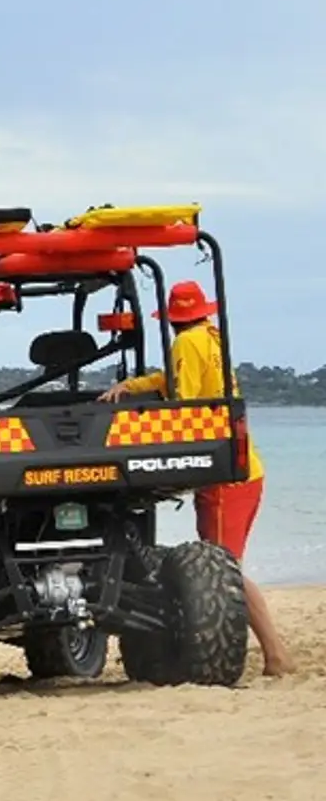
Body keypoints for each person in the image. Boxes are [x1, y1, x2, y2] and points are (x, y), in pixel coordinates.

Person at [98, 280, 293, 676]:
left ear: (172, 319)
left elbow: (182, 404)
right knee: (224, 567)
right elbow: (171, 380)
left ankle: (276, 655)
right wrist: (135, 385)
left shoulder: (186, 343)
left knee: (224, 572)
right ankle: (275, 654)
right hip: (242, 472)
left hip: (225, 484)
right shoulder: (212, 337)